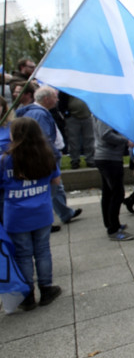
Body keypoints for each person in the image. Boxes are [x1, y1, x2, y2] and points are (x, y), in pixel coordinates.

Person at [0, 117, 63, 311]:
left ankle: (27, 296)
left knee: (23, 254)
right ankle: (46, 288)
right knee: (43, 250)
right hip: (42, 211)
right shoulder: (46, 155)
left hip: (16, 214)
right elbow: (56, 181)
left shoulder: (5, 159)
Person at [16, 86, 81, 226]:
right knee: (51, 188)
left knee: (56, 187)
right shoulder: (40, 114)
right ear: (46, 99)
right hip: (46, 157)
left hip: (46, 156)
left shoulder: (38, 112)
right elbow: (44, 139)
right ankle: (43, 221)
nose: (57, 100)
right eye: (55, 97)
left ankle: (65, 213)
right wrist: (54, 154)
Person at [93, 116, 134, 241]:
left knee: (108, 192)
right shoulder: (104, 114)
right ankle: (113, 229)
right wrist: (126, 141)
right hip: (109, 158)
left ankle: (111, 224)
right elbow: (106, 135)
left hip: (106, 157)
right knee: (117, 193)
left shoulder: (100, 112)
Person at [59, 92, 95, 169]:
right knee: (73, 140)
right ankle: (75, 160)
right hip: (72, 116)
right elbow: (61, 102)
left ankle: (90, 159)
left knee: (90, 138)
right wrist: (66, 114)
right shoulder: (67, 87)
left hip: (87, 115)